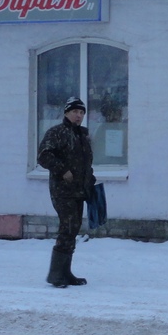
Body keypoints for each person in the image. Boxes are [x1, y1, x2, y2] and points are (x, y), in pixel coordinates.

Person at [36, 95, 94, 288]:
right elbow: (43, 156)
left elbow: (86, 163)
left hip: (79, 190)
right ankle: (55, 274)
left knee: (73, 228)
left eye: (81, 112)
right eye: (75, 112)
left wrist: (90, 180)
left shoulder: (83, 135)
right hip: (62, 190)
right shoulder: (57, 132)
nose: (78, 116)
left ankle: (65, 272)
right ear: (66, 113)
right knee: (67, 227)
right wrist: (63, 170)